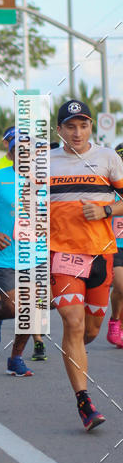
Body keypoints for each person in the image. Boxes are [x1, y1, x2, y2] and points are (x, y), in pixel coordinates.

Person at [50, 100, 123, 431]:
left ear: (91, 126)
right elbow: (28, 213)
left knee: (90, 329)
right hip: (62, 255)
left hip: (100, 254)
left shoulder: (108, 158)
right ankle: (84, 401)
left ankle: (74, 350)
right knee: (74, 323)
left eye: (83, 125)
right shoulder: (44, 163)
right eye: (70, 126)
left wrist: (107, 211)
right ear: (59, 130)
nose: (77, 132)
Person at [0, 132, 45, 376]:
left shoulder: (43, 181)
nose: (23, 155)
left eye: (28, 151)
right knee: (13, 309)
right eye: (18, 151)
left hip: (35, 256)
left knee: (31, 311)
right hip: (4, 256)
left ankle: (15, 358)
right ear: (11, 153)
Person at [106, 143, 123, 347]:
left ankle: (119, 326)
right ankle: (115, 320)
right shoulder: (109, 184)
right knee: (120, 286)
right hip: (115, 243)